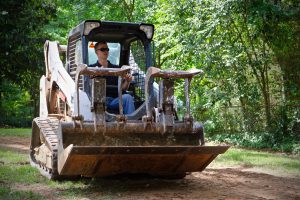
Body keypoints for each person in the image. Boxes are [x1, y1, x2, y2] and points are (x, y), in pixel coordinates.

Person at [89, 41, 135, 115]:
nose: (105, 51)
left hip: (115, 100)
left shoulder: (116, 68)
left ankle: (132, 124)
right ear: (96, 52)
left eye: (107, 49)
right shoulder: (91, 68)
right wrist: (95, 75)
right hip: (99, 100)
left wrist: (127, 81)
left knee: (128, 97)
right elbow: (88, 86)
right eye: (102, 49)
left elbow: (123, 88)